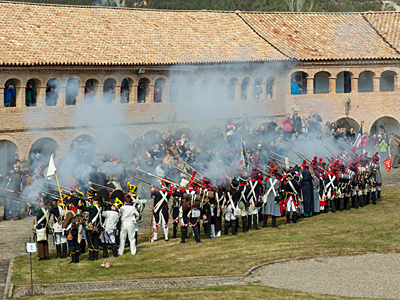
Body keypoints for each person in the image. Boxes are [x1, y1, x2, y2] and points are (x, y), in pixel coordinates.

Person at [80, 195, 102, 261]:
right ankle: (95, 257)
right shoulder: (100, 207)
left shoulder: (93, 208)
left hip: (91, 227)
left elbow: (83, 208)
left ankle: (91, 257)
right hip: (97, 227)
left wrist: (80, 205)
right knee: (96, 242)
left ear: (97, 201)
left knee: (90, 242)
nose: (93, 201)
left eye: (94, 200)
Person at [63, 196, 80, 263]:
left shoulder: (70, 213)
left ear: (72, 204)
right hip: (77, 229)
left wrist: (64, 227)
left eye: (70, 203)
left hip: (71, 230)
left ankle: (73, 260)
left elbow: (65, 223)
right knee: (76, 244)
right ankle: (77, 259)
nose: (69, 204)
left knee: (71, 244)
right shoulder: (79, 211)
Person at [34, 196, 50, 261]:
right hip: (45, 227)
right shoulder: (47, 209)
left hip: (41, 228)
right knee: (45, 242)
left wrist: (33, 207)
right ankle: (46, 255)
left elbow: (32, 213)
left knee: (40, 242)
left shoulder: (41, 211)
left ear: (43, 203)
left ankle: (42, 256)